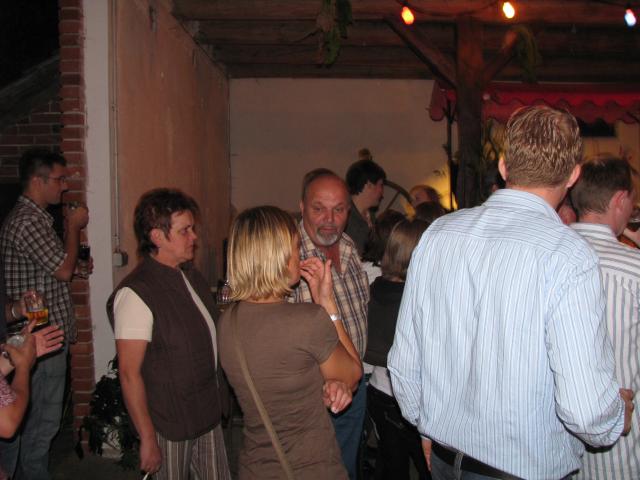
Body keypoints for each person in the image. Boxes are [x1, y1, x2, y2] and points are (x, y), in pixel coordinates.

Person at [389, 106, 634, 480]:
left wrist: (427, 425)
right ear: (573, 175)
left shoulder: (439, 234)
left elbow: (405, 361)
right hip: (518, 470)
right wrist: (618, 416)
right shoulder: (566, 255)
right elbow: (585, 410)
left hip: (444, 459)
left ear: (504, 167)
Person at [218, 206, 362, 479]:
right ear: (279, 257)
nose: (301, 254)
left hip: (254, 466)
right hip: (309, 467)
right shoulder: (306, 320)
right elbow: (353, 375)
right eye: (296, 247)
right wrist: (327, 303)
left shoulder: (227, 321)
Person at [107, 188, 230, 480]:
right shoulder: (137, 293)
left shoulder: (190, 276)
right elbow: (129, 374)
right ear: (157, 237)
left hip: (205, 412)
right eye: (184, 231)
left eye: (192, 229)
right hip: (170, 422)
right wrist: (148, 438)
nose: (194, 237)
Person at [0, 148, 88, 480]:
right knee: (40, 426)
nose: (65, 186)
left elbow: (56, 269)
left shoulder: (36, 219)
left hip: (41, 340)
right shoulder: (28, 221)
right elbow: (62, 271)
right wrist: (74, 227)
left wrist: (76, 264)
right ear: (38, 180)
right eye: (59, 179)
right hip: (36, 341)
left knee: (38, 425)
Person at [291, 169, 370, 479]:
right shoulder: (288, 258)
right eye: (319, 208)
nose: (329, 219)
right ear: (302, 207)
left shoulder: (349, 246)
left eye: (338, 209)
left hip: (355, 387)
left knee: (346, 469)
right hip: (313, 396)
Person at [570, 155, 640, 480]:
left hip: (557, 451)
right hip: (623, 453)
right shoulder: (633, 270)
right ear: (620, 199)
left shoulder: (545, 256)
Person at [364, 219, 430, 480]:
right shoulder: (418, 295)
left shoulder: (375, 287)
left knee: (393, 467)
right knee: (428, 468)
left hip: (379, 390)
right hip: (413, 395)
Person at [345, 158, 387, 256]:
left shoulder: (370, 216)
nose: (382, 192)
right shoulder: (347, 218)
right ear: (368, 185)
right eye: (381, 185)